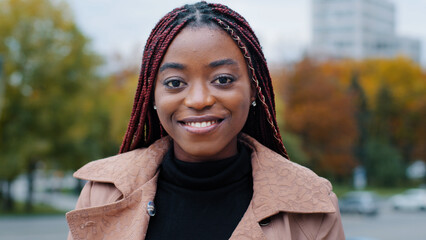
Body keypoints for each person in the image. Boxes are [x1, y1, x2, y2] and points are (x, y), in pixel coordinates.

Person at [66, 2, 345, 239]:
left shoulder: (311, 205)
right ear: (152, 96)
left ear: (253, 90)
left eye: (222, 79)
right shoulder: (102, 194)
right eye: (175, 82)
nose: (198, 100)